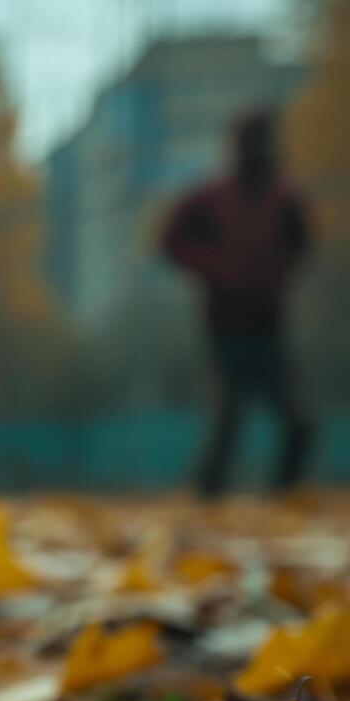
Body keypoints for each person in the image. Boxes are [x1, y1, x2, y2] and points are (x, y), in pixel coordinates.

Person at [161, 109, 314, 497]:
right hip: (225, 327)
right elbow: (171, 240)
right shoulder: (210, 200)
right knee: (229, 419)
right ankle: (205, 500)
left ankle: (284, 495)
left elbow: (301, 248)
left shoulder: (285, 201)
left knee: (296, 421)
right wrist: (215, 268)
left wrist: (273, 272)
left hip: (267, 327)